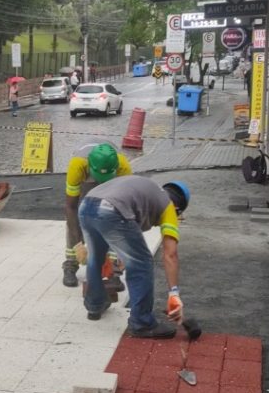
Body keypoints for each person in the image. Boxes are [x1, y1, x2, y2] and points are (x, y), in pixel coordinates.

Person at [78, 174, 190, 336]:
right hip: (111, 209)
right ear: (177, 208)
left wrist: (123, 255)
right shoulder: (168, 206)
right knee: (142, 263)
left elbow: (125, 230)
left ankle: (95, 305)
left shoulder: (149, 192)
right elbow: (170, 254)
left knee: (95, 257)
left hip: (86, 205)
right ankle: (142, 323)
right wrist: (174, 293)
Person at [63, 142, 132, 287]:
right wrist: (77, 245)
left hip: (113, 182)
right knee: (78, 216)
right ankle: (71, 263)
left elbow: (124, 210)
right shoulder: (77, 166)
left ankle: (113, 269)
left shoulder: (123, 167)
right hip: (86, 181)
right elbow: (71, 207)